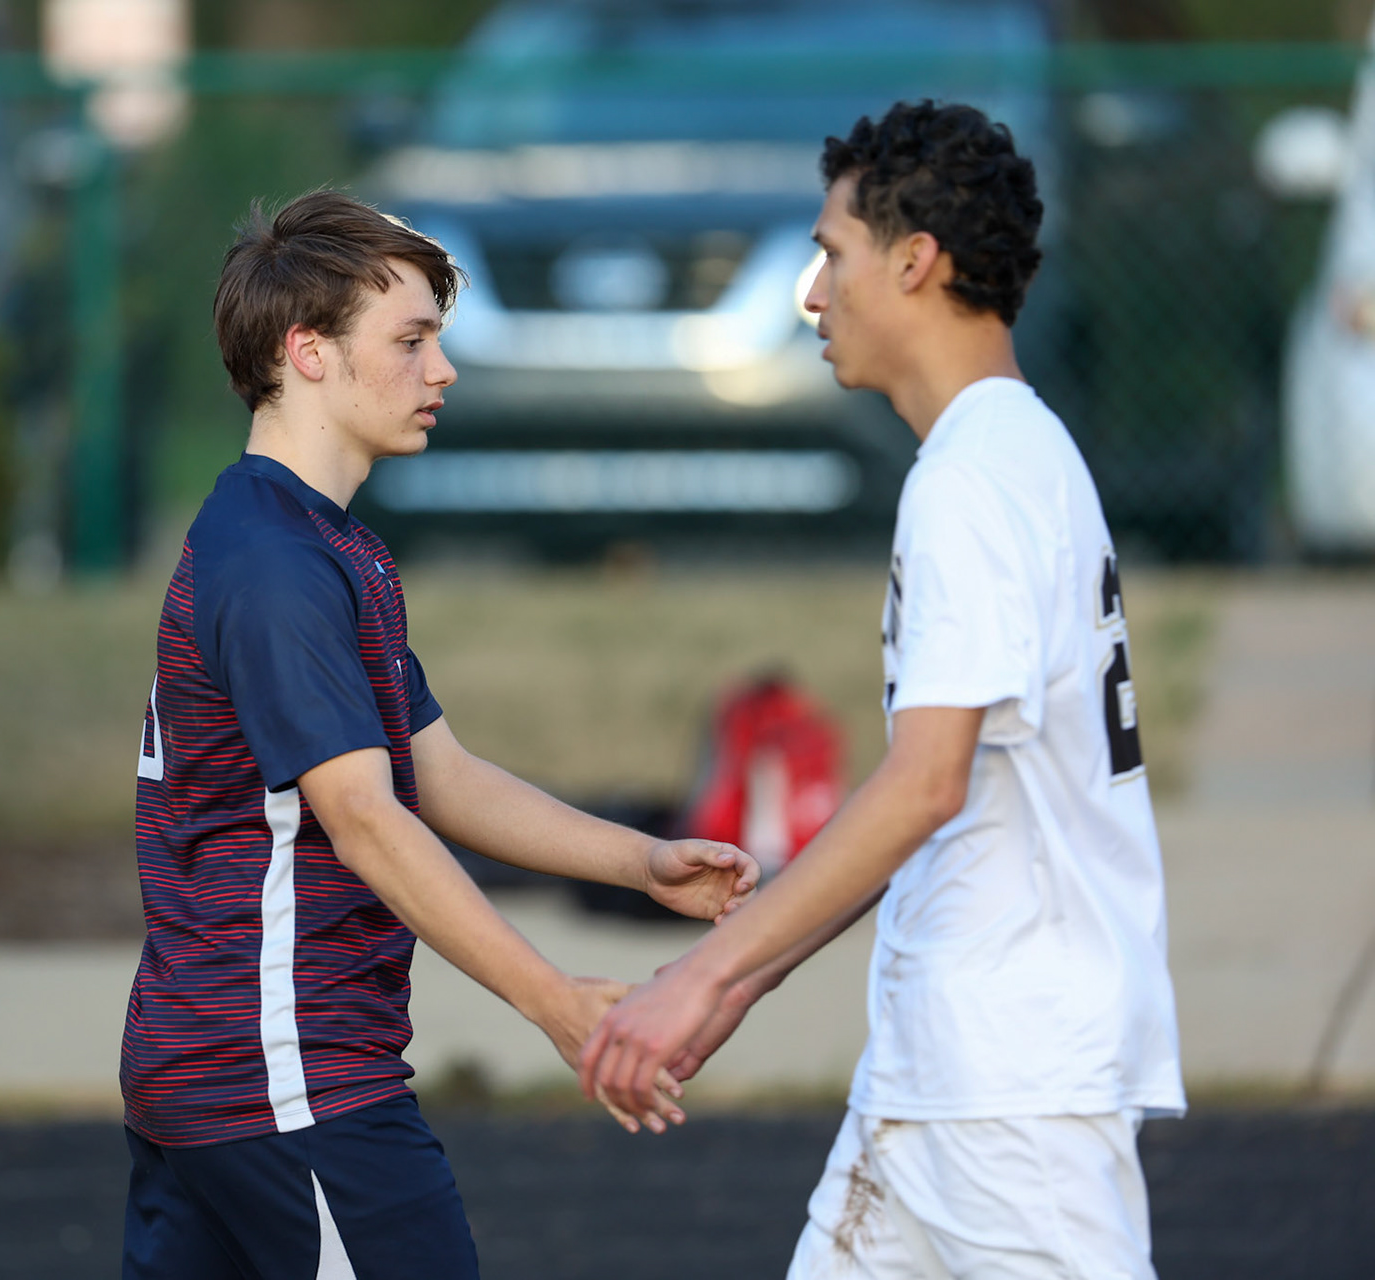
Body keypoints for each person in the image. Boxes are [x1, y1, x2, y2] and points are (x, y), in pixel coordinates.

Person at [580, 101, 1186, 1278]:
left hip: (1004, 1101)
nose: (812, 292)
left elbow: (924, 785)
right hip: (935, 1079)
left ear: (915, 261)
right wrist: (747, 974)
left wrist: (702, 974)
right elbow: (935, 800)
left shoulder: (970, 481)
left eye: (833, 252)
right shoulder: (1019, 454)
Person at [121, 189, 760, 1279]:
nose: (442, 370)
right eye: (411, 341)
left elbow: (438, 775)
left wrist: (641, 858)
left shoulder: (323, 546)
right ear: (308, 352)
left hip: (225, 1069)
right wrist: (555, 999)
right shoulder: (275, 565)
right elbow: (366, 819)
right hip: (287, 1079)